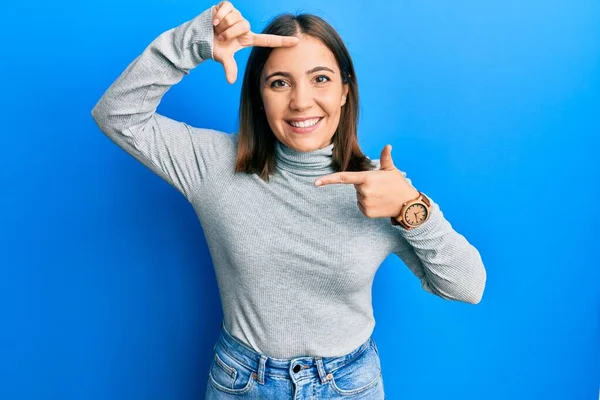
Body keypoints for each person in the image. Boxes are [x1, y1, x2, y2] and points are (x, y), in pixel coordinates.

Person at [91, 1, 487, 398]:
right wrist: (192, 43)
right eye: (279, 82)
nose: (300, 101)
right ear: (259, 97)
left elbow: (468, 287)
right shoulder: (212, 165)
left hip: (349, 386)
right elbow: (117, 115)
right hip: (242, 384)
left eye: (320, 79)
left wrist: (410, 208)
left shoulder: (380, 187)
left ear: (345, 91)